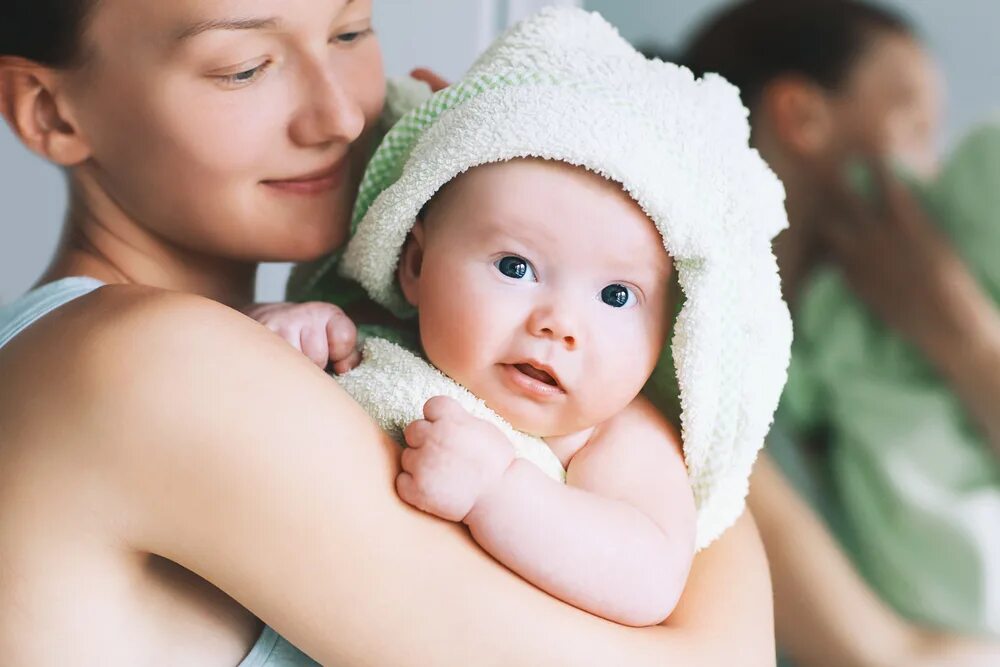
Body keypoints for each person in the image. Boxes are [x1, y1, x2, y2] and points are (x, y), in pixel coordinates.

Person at [0, 1, 775, 664]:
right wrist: (652, 411)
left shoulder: (303, 348)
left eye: (349, 32)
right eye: (243, 67)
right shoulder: (150, 366)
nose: (339, 113)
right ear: (50, 110)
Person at [254, 7, 791, 630]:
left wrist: (499, 491)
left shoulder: (610, 435)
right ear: (415, 263)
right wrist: (291, 331)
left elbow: (646, 577)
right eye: (515, 266)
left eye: (617, 296)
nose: (559, 324)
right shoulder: (371, 338)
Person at [680, 0, 1000, 664]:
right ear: (802, 117)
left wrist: (963, 334)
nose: (931, 171)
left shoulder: (882, 346)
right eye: (916, 127)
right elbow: (882, 657)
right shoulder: (697, 363)